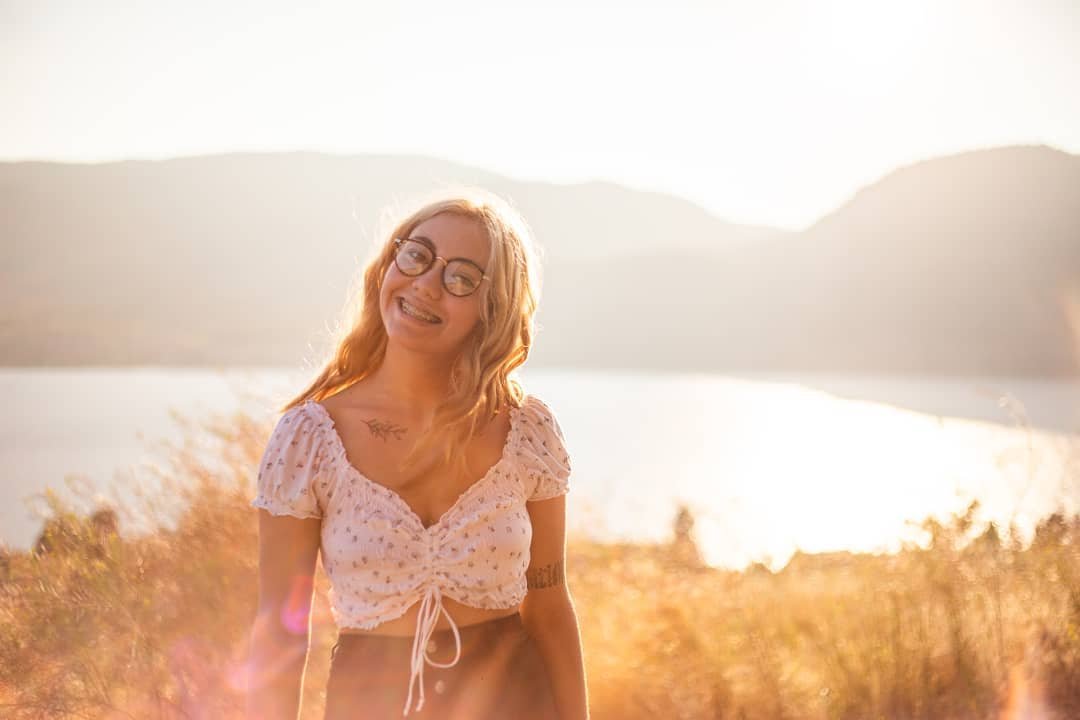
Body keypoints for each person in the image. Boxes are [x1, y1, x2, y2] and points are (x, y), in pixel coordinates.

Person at [245, 190, 589, 720]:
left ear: (490, 308)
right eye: (417, 255)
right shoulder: (310, 438)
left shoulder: (527, 430)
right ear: (389, 263)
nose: (426, 285)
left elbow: (548, 607)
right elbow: (279, 632)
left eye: (461, 278)